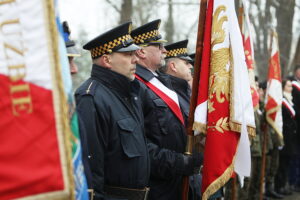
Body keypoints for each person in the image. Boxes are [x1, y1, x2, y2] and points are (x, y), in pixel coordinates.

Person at [75, 22, 150, 200]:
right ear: (107, 60)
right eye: (128, 54)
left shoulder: (130, 93)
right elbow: (91, 170)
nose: (136, 60)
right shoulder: (91, 97)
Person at [131, 19, 202, 200]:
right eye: (159, 45)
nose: (164, 50)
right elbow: (140, 143)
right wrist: (179, 162)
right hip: (160, 185)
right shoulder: (136, 86)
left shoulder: (164, 82)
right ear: (141, 51)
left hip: (178, 181)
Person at [275, 79, 297, 195]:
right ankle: (279, 186)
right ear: (283, 87)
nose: (291, 88)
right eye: (289, 86)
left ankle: (285, 184)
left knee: (287, 163)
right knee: (282, 164)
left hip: (290, 138)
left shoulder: (289, 100)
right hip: (285, 137)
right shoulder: (282, 101)